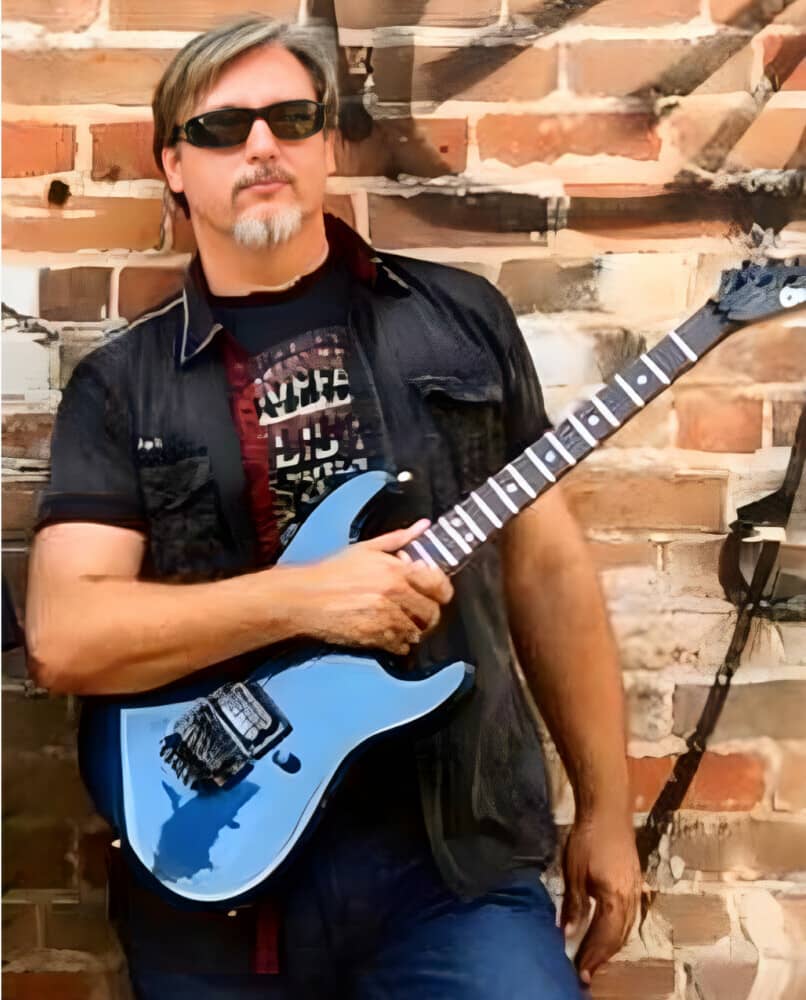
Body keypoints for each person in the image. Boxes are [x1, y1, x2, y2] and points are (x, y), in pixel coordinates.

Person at [26, 16, 641, 1000]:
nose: (261, 146)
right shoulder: (123, 384)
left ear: (325, 143)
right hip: (216, 882)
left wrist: (606, 807)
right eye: (222, 129)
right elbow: (66, 635)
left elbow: (546, 567)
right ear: (175, 167)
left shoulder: (458, 317)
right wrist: (305, 601)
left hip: (448, 868)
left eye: (289, 117)